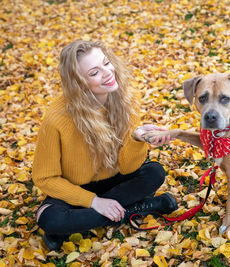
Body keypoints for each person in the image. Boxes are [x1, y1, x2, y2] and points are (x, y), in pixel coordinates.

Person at [32, 40, 177, 251]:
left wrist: (136, 138)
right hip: (76, 187)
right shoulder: (58, 118)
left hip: (116, 180)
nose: (108, 73)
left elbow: (127, 168)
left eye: (107, 63)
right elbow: (44, 178)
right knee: (50, 218)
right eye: (94, 73)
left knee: (154, 172)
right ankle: (141, 208)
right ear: (79, 83)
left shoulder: (125, 99)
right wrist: (93, 201)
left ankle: (78, 224)